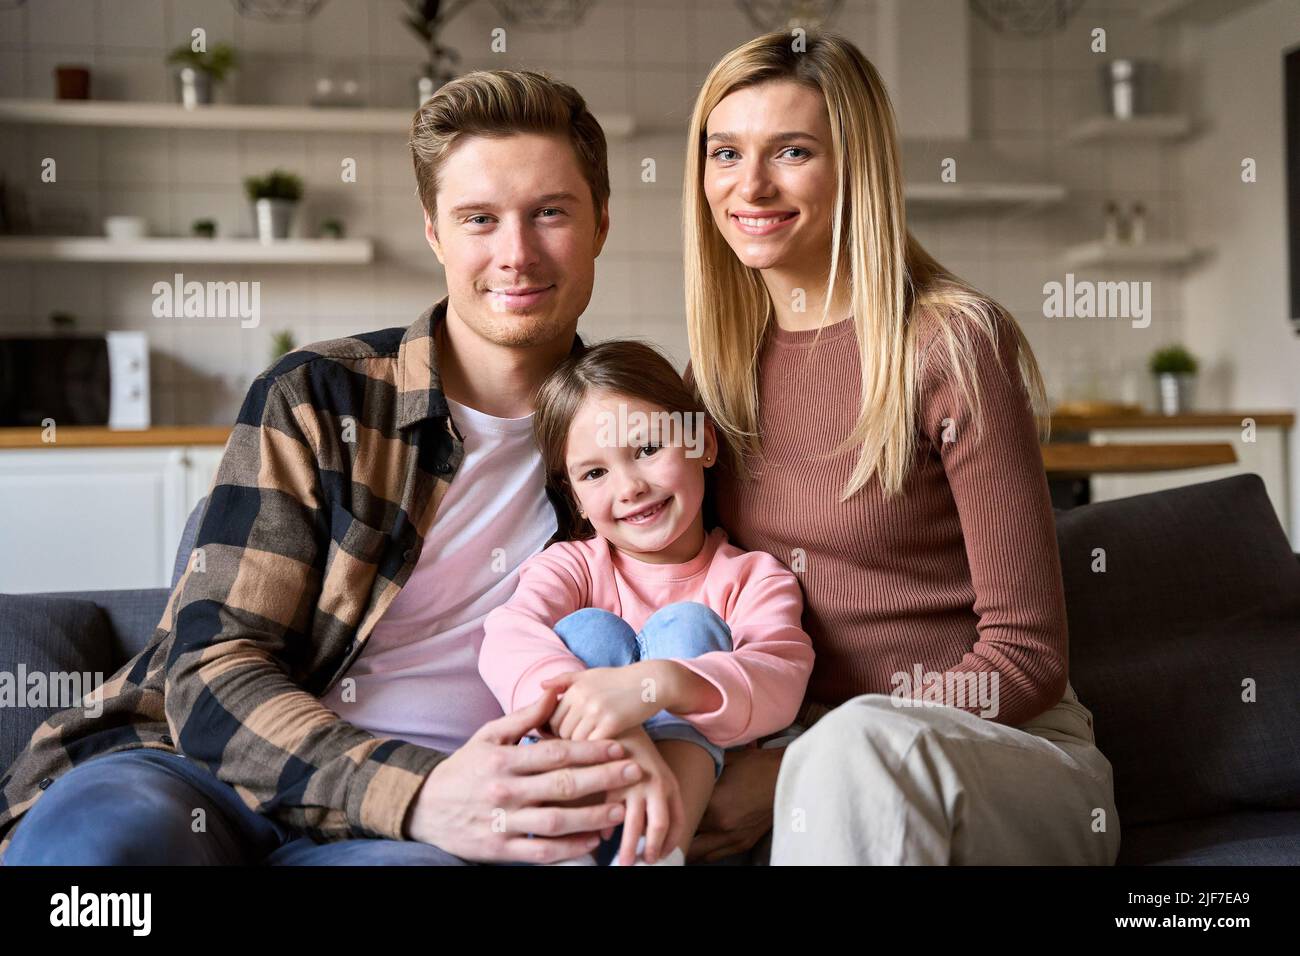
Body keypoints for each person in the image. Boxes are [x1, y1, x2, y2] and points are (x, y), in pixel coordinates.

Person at [0, 70, 651, 866]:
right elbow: (211, 673)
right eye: (479, 219)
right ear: (435, 233)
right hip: (197, 772)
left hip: (428, 832)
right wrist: (414, 790)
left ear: (602, 223)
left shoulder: (639, 437)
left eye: (550, 213)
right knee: (93, 861)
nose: (515, 254)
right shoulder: (316, 396)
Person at [680, 30, 1122, 865]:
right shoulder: (718, 373)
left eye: (793, 151)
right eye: (726, 152)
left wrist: (799, 766)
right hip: (814, 763)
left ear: (857, 169)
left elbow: (1024, 657)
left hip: (1005, 756)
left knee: (860, 751)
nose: (751, 185)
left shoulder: (950, 343)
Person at [478, 340, 813, 865]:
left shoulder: (751, 578)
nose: (630, 486)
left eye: (648, 449)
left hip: (699, 822)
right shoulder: (570, 568)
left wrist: (659, 686)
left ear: (703, 443)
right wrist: (610, 711)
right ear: (576, 499)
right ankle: (571, 852)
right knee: (589, 632)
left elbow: (779, 677)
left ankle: (657, 852)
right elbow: (506, 639)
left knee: (688, 627)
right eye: (595, 473)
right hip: (576, 800)